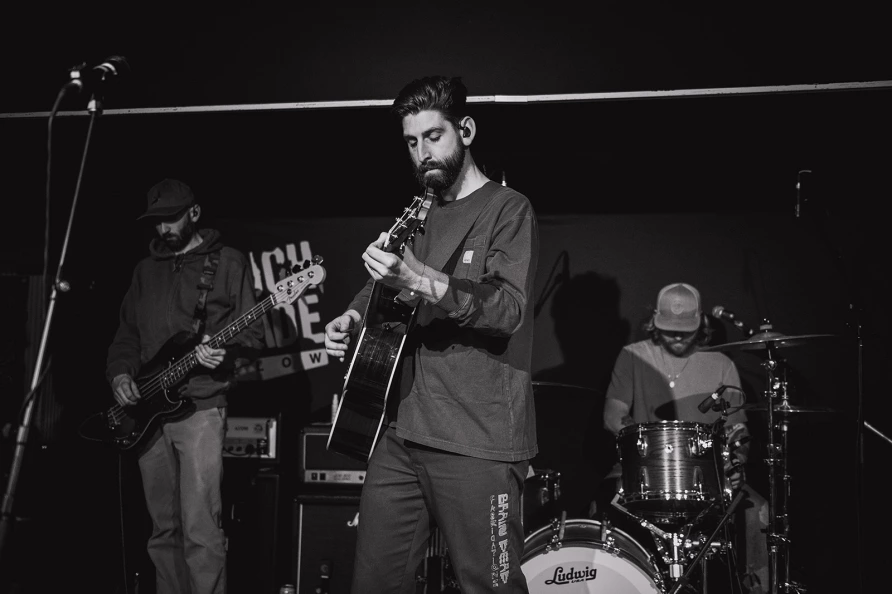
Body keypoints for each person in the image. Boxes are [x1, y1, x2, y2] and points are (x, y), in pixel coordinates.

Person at [324, 76, 539, 593]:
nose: (423, 153)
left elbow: (505, 309)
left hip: (475, 438)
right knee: (375, 583)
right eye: (412, 142)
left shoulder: (508, 209)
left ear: (465, 130)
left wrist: (419, 279)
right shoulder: (417, 211)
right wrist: (354, 315)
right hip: (399, 433)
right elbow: (387, 285)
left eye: (434, 136)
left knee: (489, 585)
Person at [106, 178, 264, 594]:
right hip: (147, 411)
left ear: (194, 213)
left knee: (200, 528)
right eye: (156, 222)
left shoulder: (227, 261)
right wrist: (121, 374)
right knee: (162, 530)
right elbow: (127, 335)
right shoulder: (145, 270)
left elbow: (255, 333)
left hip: (201, 407)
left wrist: (223, 353)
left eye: (171, 218)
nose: (164, 229)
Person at [600, 282, 769, 594]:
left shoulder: (722, 363)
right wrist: (646, 443)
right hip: (644, 474)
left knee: (758, 510)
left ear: (701, 323)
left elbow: (738, 429)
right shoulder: (633, 356)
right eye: (668, 329)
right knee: (610, 501)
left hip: (707, 479)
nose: (676, 336)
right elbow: (613, 415)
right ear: (654, 321)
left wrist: (737, 459)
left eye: (685, 330)